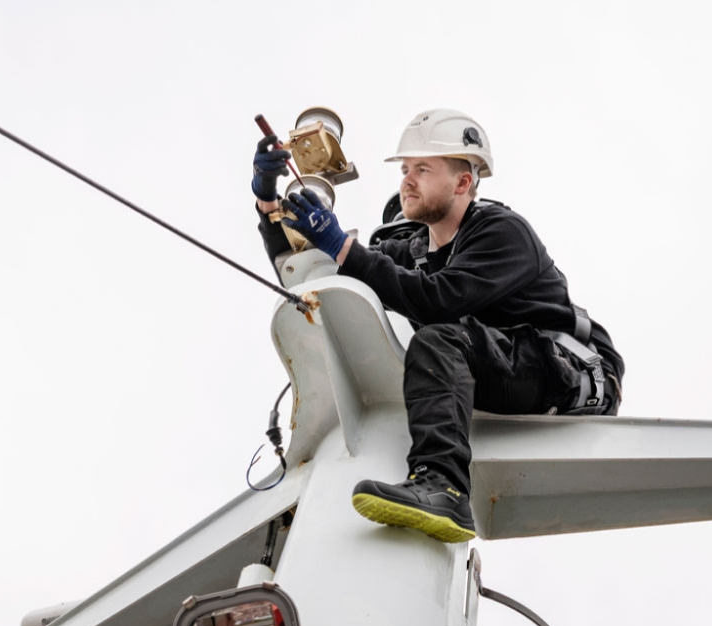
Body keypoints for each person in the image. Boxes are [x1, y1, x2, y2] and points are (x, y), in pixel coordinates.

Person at [251, 109, 624, 544]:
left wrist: (342, 244)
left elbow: (438, 300)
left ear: (463, 183)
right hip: (502, 363)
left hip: (571, 372)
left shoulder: (501, 232)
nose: (407, 181)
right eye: (405, 170)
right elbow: (314, 272)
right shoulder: (415, 251)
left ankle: (444, 488)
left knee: (439, 339)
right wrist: (268, 200)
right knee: (437, 339)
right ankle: (434, 481)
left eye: (422, 170)